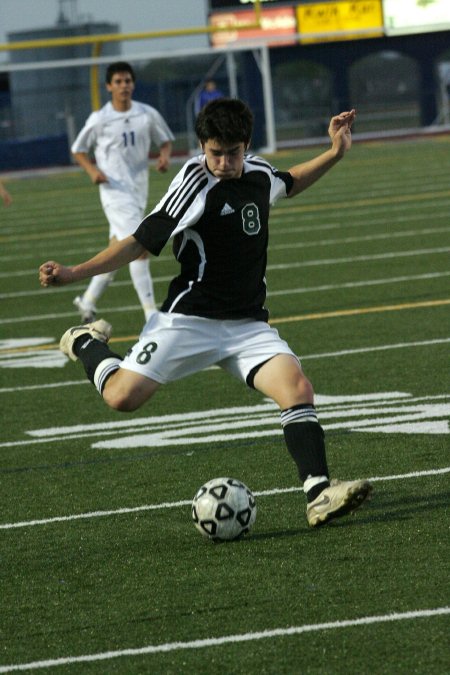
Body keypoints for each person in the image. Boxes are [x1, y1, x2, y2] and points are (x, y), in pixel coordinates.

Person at [39, 98, 372, 528]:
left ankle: (318, 494)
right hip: (189, 321)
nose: (225, 162)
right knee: (121, 397)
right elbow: (139, 241)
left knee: (297, 388)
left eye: (233, 152)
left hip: (248, 325)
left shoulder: (257, 173)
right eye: (216, 152)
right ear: (201, 146)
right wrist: (74, 272)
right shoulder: (193, 182)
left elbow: (287, 182)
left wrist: (335, 152)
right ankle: (85, 342)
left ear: (246, 145)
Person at [71, 60, 175, 323]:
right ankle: (151, 314)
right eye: (118, 82)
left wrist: (164, 157)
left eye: (127, 81)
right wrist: (92, 171)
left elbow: (165, 140)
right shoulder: (100, 119)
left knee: (117, 249)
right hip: (114, 191)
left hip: (138, 190)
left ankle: (88, 301)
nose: (123, 86)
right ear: (109, 86)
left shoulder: (146, 114)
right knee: (139, 246)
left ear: (133, 84)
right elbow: (78, 149)